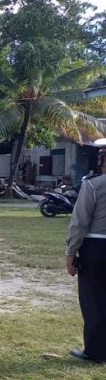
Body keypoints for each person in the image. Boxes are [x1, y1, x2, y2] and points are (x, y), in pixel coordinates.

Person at [65, 140, 106, 364]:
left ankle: (96, 351)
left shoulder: (93, 185)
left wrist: (70, 253)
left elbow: (79, 223)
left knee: (95, 300)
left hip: (97, 247)